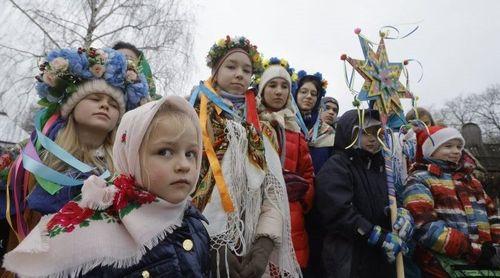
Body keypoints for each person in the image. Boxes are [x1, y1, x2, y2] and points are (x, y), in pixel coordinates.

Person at [3, 96, 211, 277]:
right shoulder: (96, 228)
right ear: (131, 157)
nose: (184, 165)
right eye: (165, 152)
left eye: (191, 153)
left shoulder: (194, 222)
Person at [0, 47, 149, 248]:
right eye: (95, 99)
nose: (105, 106)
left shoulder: (124, 167)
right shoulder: (35, 153)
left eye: (114, 105)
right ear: (72, 107)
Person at [189, 36, 301, 277]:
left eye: (247, 69)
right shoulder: (193, 118)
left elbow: (272, 193)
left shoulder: (261, 129)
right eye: (231, 67)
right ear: (215, 71)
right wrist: (211, 243)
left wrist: (264, 245)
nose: (240, 74)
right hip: (196, 242)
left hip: (248, 246)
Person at [315, 109, 414, 278]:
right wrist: (373, 234)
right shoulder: (337, 165)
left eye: (377, 132)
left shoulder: (383, 166)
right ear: (349, 132)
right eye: (364, 132)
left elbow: (393, 199)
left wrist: (402, 215)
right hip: (350, 257)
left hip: (381, 258)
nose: (372, 139)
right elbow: (337, 211)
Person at [403, 125, 500, 277]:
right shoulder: (420, 179)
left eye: (459, 146)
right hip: (440, 267)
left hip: (484, 264)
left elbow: (492, 215)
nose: (456, 151)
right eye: (448, 146)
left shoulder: (472, 181)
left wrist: (495, 248)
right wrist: (472, 250)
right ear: (431, 150)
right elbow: (424, 226)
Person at [256, 57, 315, 272]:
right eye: (272, 85)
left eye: (284, 87)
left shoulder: (295, 131)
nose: (279, 92)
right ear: (262, 90)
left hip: (292, 216)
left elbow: (308, 173)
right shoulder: (250, 124)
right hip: (258, 210)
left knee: (289, 266)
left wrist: (302, 197)